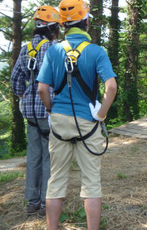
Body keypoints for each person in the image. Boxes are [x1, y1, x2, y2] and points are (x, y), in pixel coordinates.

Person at [37, 0, 117, 229]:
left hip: (59, 120)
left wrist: (52, 110)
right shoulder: (96, 51)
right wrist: (101, 114)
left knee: (56, 180)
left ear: (63, 25)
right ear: (87, 21)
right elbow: (110, 87)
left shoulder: (53, 50)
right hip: (87, 121)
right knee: (91, 182)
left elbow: (43, 89)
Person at [10, 5, 60, 217]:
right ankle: (46, 202)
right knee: (50, 157)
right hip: (49, 109)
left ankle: (32, 201)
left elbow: (15, 80)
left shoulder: (25, 49)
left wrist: (24, 94)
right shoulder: (54, 48)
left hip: (30, 111)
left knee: (33, 155)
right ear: (52, 28)